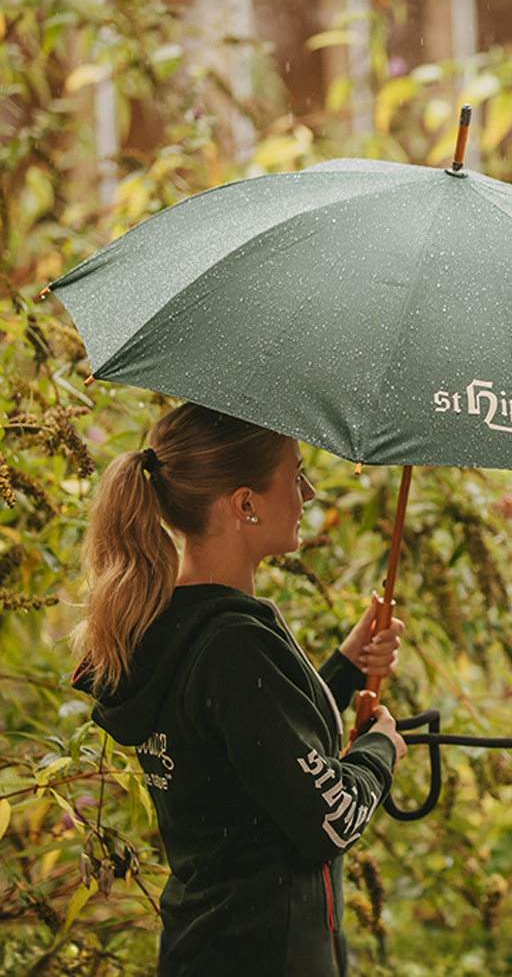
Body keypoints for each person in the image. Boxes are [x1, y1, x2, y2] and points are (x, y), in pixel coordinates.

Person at [70, 402, 407, 977]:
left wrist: (346, 669)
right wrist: (381, 751)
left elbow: (255, 750)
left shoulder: (177, 629)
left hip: (207, 944)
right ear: (245, 503)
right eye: (297, 476)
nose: (309, 495)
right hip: (266, 953)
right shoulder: (233, 645)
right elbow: (330, 820)